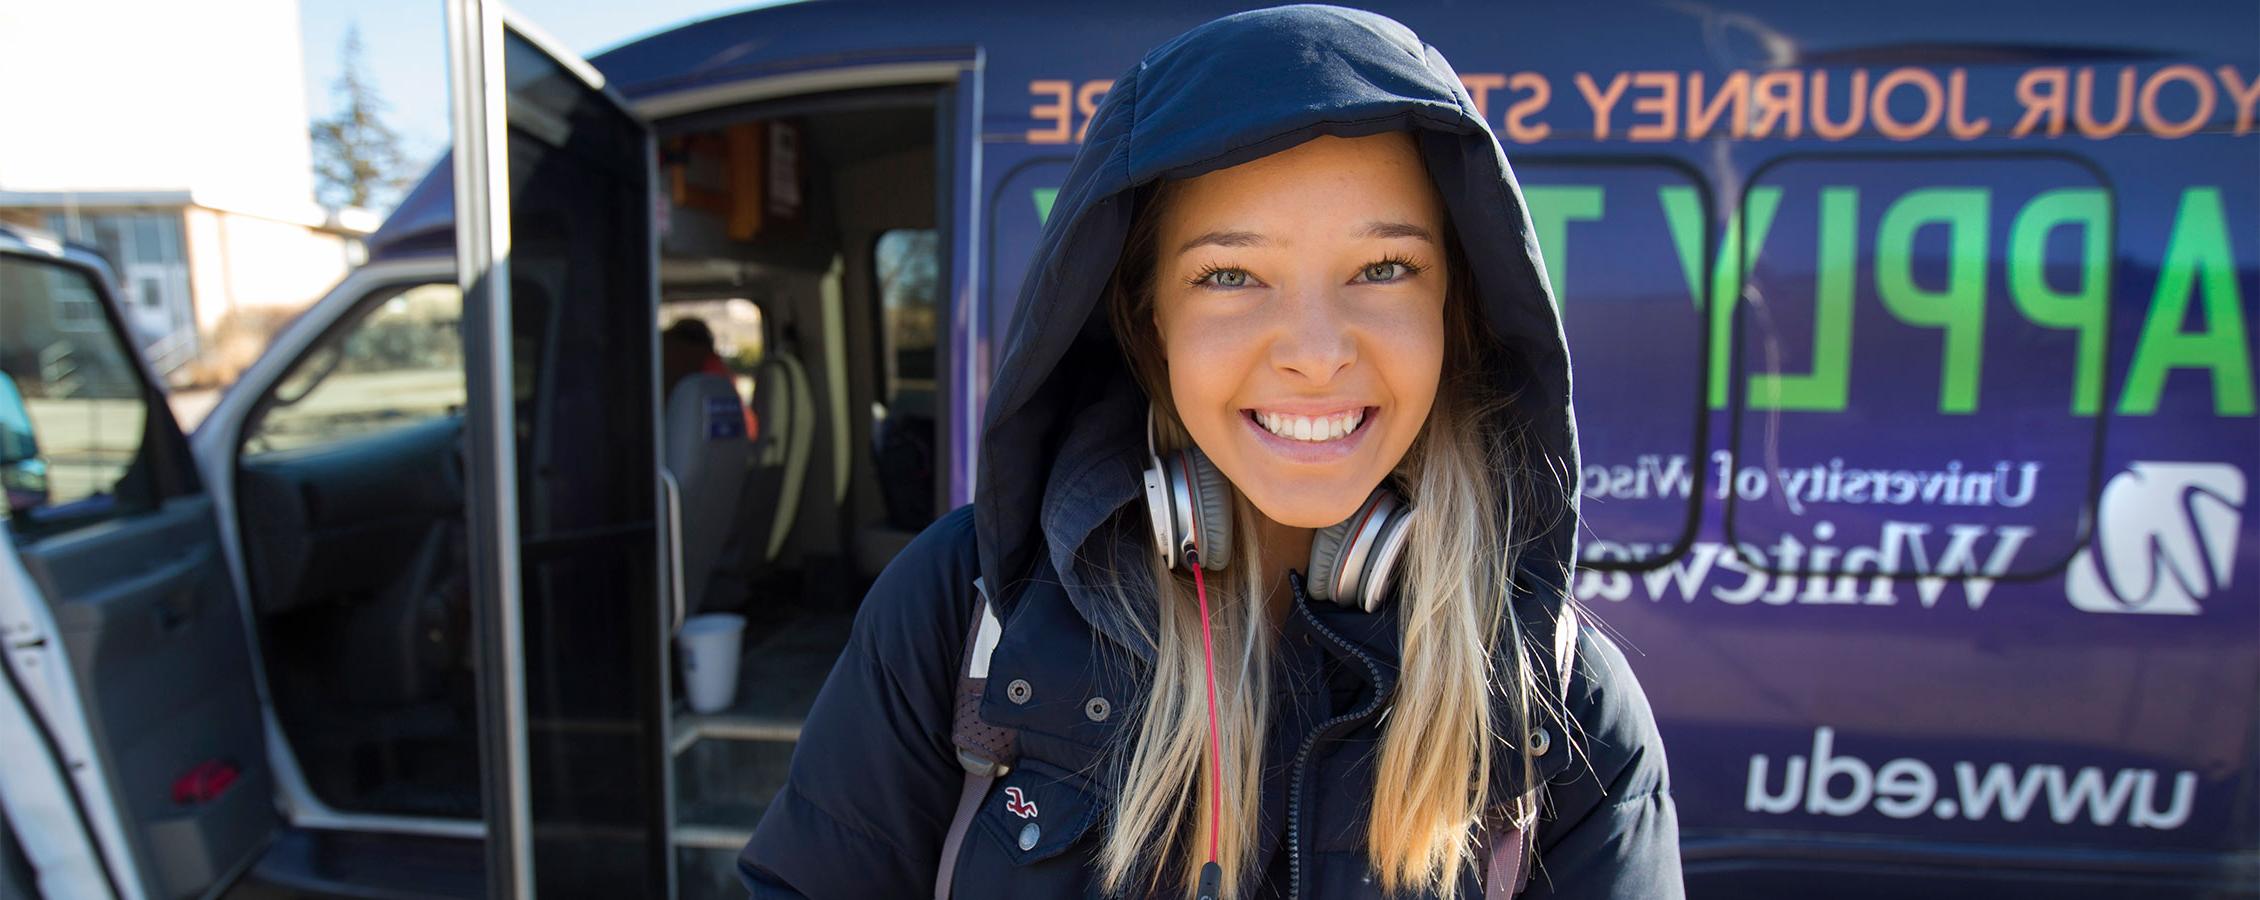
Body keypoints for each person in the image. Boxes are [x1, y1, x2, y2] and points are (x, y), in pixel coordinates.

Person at [737, 5, 1681, 898]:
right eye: (1229, 275)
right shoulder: (964, 612)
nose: (1316, 352)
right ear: (1151, 321)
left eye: (1384, 268)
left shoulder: (1566, 710)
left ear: (1455, 307)